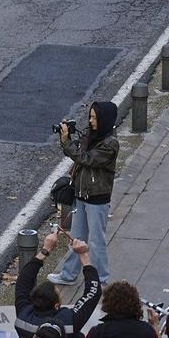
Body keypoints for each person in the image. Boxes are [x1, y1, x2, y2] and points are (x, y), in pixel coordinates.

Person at [52, 102, 118, 284]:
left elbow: (86, 159)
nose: (91, 121)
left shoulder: (110, 144)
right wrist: (72, 136)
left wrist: (66, 142)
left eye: (95, 118)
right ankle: (68, 275)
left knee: (96, 242)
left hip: (97, 198)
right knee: (77, 238)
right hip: (81, 194)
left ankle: (100, 279)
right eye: (90, 116)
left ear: (104, 119)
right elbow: (79, 151)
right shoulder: (92, 135)